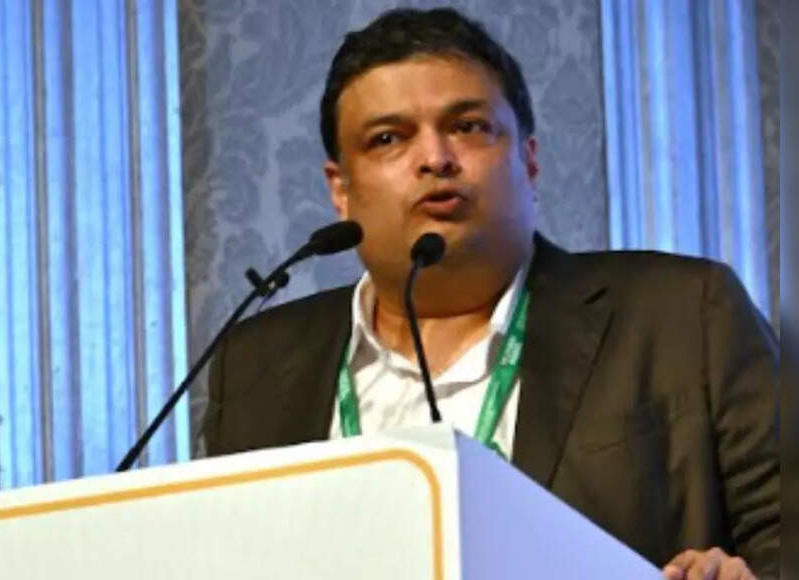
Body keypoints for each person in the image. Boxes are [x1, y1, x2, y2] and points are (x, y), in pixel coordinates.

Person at [202, 7, 779, 579]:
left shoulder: (683, 315)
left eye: (468, 126)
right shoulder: (254, 368)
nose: (435, 158)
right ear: (341, 190)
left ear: (529, 160)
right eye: (388, 138)